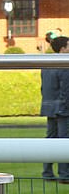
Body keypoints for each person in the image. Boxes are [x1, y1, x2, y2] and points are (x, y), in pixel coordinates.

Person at [41, 36, 69, 182]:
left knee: (50, 139)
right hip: (62, 108)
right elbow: (66, 89)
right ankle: (64, 175)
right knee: (64, 141)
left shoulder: (46, 63)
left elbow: (43, 87)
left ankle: (47, 173)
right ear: (63, 48)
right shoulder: (64, 64)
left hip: (49, 106)